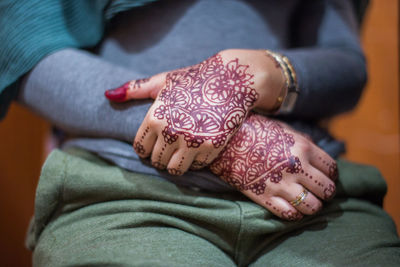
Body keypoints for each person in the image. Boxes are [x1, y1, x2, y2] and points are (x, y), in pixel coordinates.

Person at [1, 0, 399, 266]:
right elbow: (21, 49)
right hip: (127, 192)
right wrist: (220, 133)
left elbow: (347, 65)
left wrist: (273, 72)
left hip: (307, 191)